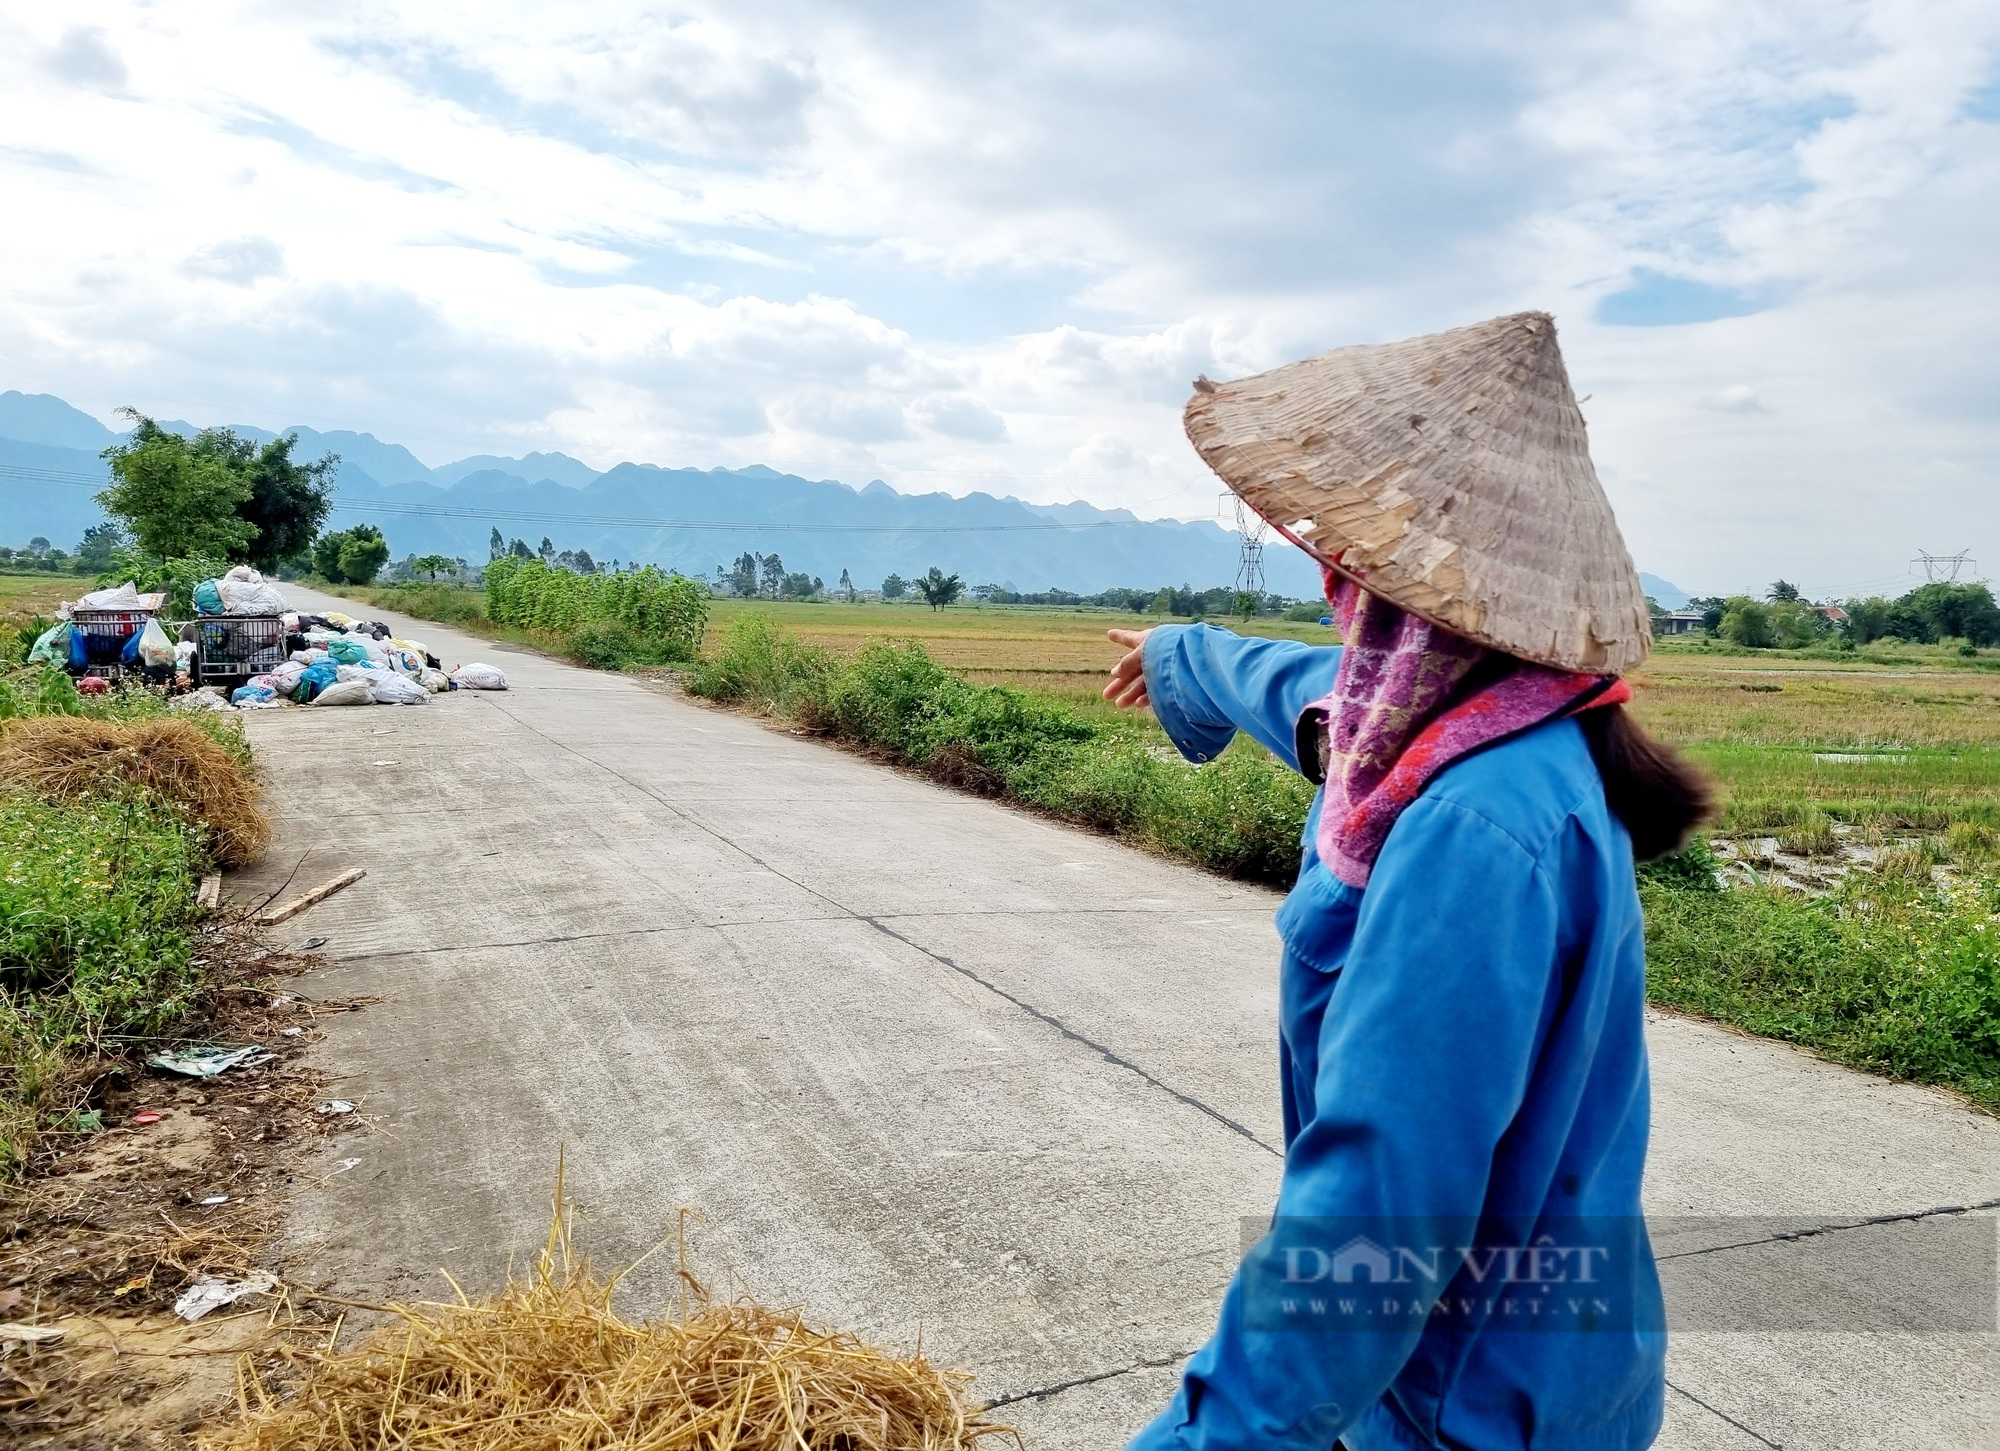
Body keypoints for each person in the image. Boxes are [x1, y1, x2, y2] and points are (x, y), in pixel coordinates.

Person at [1104, 313, 1711, 1451]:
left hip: (1463, 1405)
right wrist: (1182, 653)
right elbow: (1311, 690)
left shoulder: (1465, 830)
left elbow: (1379, 1210)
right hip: (1559, 1367)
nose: (1333, 586)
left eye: (1344, 565)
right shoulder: (1489, 723)